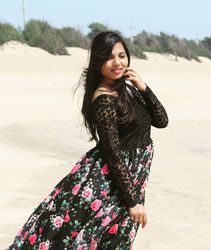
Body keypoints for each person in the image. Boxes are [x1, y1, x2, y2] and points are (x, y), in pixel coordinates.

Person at [7, 31, 168, 250]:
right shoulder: (104, 100)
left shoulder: (128, 89)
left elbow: (161, 120)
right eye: (109, 58)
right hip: (107, 181)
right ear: (97, 62)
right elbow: (112, 153)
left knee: (111, 239)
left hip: (129, 179)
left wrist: (143, 87)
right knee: (80, 238)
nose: (117, 62)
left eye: (122, 56)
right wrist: (133, 202)